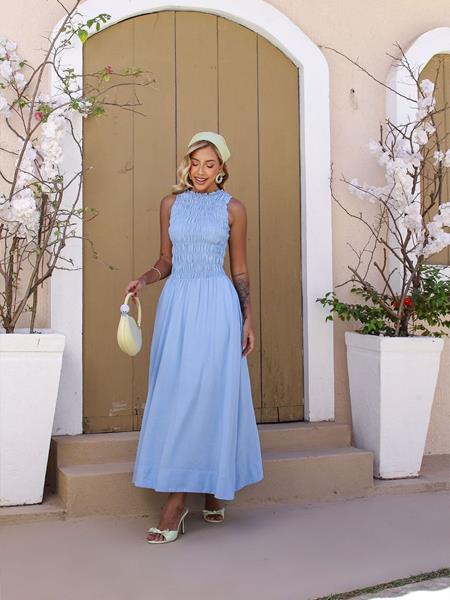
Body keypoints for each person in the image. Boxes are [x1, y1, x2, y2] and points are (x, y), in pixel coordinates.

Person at [127, 131, 264, 544]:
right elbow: (166, 259)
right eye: (195, 162)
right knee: (179, 393)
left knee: (212, 392)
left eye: (210, 164)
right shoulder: (171, 204)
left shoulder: (233, 209)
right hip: (178, 304)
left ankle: (189, 498)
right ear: (186, 164)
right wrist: (144, 280)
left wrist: (247, 319)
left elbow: (239, 269)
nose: (200, 171)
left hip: (217, 304)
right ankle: (193, 493)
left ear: (222, 168)